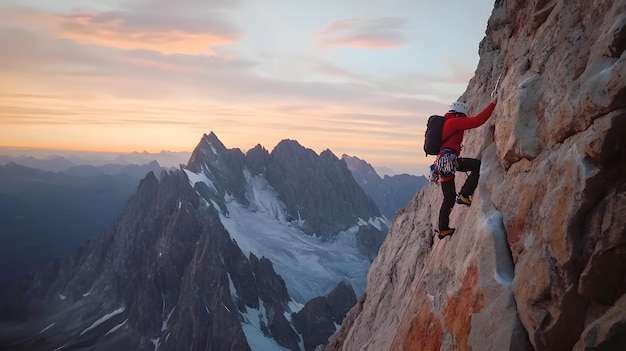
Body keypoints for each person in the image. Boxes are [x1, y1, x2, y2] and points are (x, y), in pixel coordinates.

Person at [436, 93, 498, 239]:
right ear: (459, 114)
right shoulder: (454, 122)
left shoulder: (446, 122)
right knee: (477, 165)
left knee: (449, 197)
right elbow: (477, 121)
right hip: (449, 160)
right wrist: (493, 104)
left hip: (443, 162)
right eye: (463, 116)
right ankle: (464, 194)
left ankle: (443, 229)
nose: (464, 119)